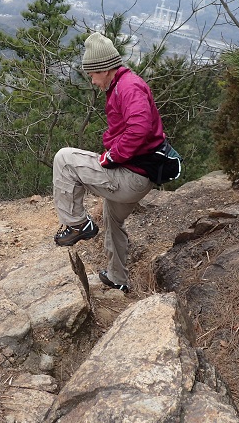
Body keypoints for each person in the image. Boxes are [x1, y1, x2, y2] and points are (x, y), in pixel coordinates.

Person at [52, 32, 166, 293]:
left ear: (103, 69)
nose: (91, 80)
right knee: (112, 220)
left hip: (132, 176)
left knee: (64, 159)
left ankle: (78, 224)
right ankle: (118, 278)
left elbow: (139, 127)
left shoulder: (128, 87)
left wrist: (113, 156)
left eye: (92, 74)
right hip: (138, 174)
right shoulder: (123, 85)